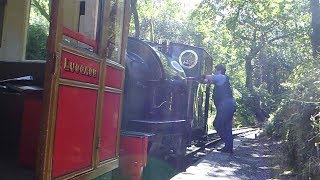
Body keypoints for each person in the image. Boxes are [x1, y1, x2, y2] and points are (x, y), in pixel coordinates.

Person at [202, 64, 236, 153]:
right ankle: (228, 148)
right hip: (228, 104)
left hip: (226, 104)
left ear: (219, 71)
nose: (214, 71)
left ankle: (228, 145)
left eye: (215, 70)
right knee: (227, 126)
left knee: (218, 124)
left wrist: (195, 77)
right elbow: (205, 81)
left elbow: (207, 77)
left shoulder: (221, 77)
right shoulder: (221, 79)